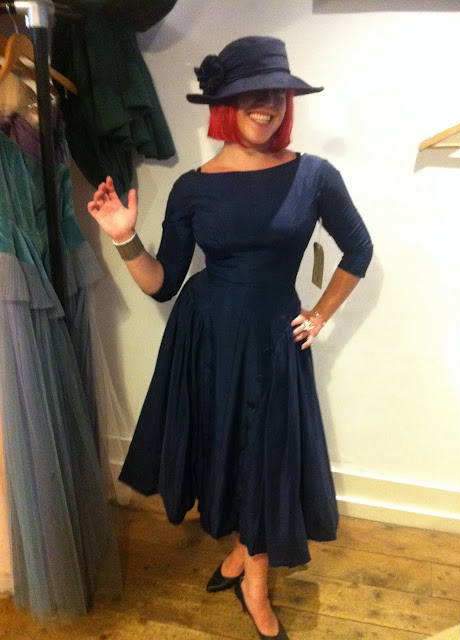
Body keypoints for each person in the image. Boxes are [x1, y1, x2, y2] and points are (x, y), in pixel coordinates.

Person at [88, 36, 373, 640]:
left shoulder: (314, 176)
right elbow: (163, 283)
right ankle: (244, 555)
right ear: (225, 104)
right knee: (228, 450)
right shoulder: (193, 187)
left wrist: (320, 314)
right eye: (251, 94)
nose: (266, 106)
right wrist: (123, 237)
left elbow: (359, 248)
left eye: (277, 94)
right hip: (206, 341)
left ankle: (253, 582)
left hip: (272, 343)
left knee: (264, 458)